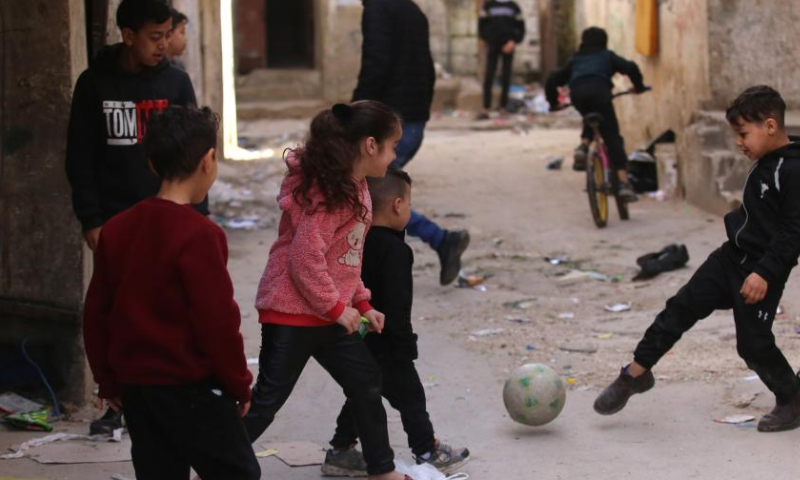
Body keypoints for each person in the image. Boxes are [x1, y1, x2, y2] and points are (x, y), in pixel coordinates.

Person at [594, 86, 800, 433]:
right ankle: (635, 373)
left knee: (752, 344)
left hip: (760, 272)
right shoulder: (765, 162)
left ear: (769, 126)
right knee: (680, 307)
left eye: (742, 133)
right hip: (729, 259)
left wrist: (764, 272)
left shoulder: (792, 171)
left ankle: (791, 398)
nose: (738, 142)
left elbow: (793, 232)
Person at [82, 105, 260, 480]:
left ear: (150, 164)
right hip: (190, 387)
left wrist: (108, 380)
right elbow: (216, 322)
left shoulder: (116, 229)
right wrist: (239, 383)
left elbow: (97, 312)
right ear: (209, 160)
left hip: (138, 389)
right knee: (238, 473)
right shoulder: (201, 235)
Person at [243, 101, 414, 480]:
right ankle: (216, 464)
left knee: (367, 382)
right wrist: (338, 309)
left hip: (327, 311)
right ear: (370, 145)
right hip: (291, 314)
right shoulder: (330, 196)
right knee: (267, 401)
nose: (396, 154)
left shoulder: (357, 188)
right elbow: (304, 260)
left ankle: (381, 470)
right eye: (392, 145)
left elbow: (345, 257)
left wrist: (362, 302)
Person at [65, 0, 200, 437]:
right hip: (115, 220)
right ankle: (113, 400)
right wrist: (91, 220)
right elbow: (79, 156)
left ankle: (173, 394)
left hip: (168, 220)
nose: (164, 46)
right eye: (154, 37)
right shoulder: (93, 84)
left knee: (171, 308)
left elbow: (195, 155)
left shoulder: (176, 83)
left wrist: (199, 218)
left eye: (167, 35)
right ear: (127, 34)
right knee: (116, 312)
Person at [322, 169, 470, 477]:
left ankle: (340, 450)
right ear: (399, 205)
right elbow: (397, 307)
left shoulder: (356, 242)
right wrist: (405, 346)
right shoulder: (396, 251)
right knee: (411, 397)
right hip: (388, 341)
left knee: (363, 393)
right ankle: (427, 449)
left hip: (359, 335)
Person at [354, 0, 469, 286]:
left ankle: (437, 243)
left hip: (390, 121)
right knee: (372, 192)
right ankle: (439, 243)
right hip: (411, 120)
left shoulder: (379, 9)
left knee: (368, 193)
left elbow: (375, 64)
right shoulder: (411, 9)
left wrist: (355, 113)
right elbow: (426, 70)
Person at [545, 27, 646, 200]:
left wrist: (554, 103)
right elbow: (631, 67)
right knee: (612, 136)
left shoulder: (575, 60)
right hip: (600, 92)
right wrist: (639, 87)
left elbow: (552, 79)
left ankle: (584, 146)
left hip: (577, 94)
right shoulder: (607, 56)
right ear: (604, 42)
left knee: (590, 116)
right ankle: (623, 184)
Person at [477, 0, 526, 118]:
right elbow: (481, 24)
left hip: (508, 44)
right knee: (489, 75)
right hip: (493, 44)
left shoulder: (514, 7)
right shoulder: (488, 6)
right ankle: (486, 107)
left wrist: (514, 41)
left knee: (506, 76)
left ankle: (503, 107)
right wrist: (486, 39)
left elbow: (521, 27)